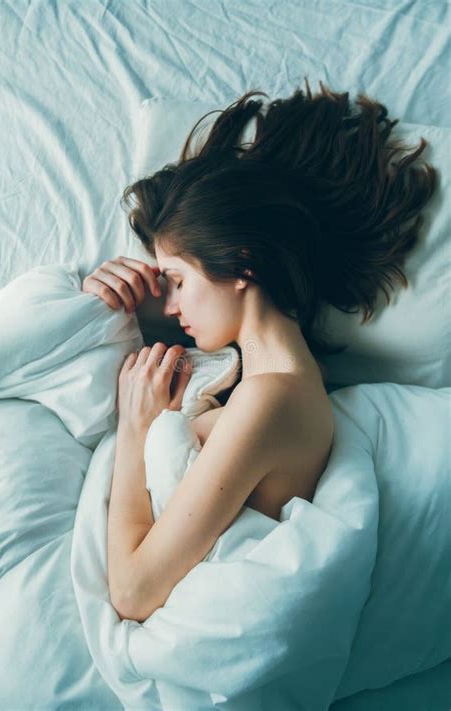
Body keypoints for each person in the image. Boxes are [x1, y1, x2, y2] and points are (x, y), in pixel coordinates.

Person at [83, 79, 437, 622]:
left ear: (242, 267)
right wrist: (101, 296)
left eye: (176, 279)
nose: (170, 303)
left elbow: (132, 593)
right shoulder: (253, 381)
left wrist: (135, 431)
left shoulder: (269, 400)